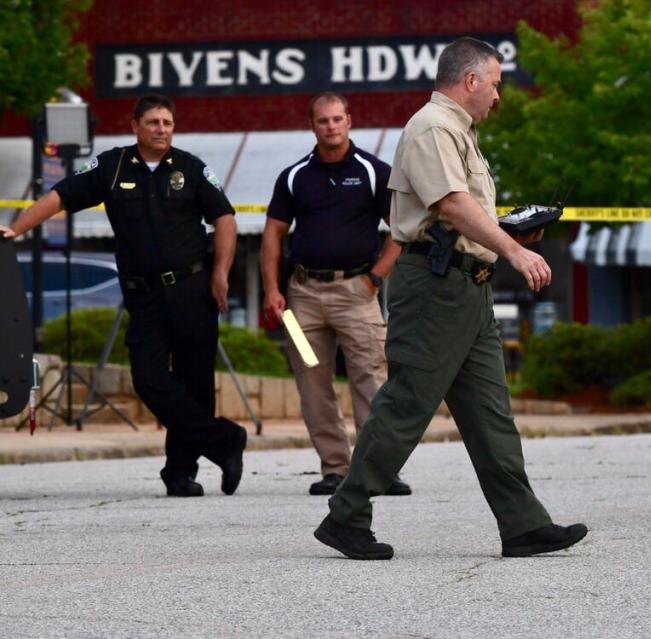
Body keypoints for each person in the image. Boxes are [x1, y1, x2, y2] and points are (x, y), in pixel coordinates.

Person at [313, 36, 588, 560]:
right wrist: (514, 250)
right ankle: (346, 516)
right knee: (407, 404)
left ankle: (523, 524)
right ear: (470, 81)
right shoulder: (431, 127)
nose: (498, 96)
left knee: (490, 414)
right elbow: (453, 205)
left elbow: (464, 214)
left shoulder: (459, 133)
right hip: (436, 287)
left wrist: (509, 231)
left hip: (468, 287)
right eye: (496, 84)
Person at [1, 94, 246, 497]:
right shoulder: (112, 166)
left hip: (192, 289)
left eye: (167, 122)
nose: (162, 130)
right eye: (153, 122)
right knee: (148, 380)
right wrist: (17, 228)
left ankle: (181, 473)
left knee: (195, 382)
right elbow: (60, 196)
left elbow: (225, 217)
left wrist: (221, 273)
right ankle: (225, 440)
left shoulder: (191, 167)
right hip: (144, 295)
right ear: (135, 126)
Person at [261, 93, 409, 497]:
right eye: (323, 121)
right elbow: (273, 234)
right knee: (313, 383)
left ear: (349, 121)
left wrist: (375, 279)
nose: (331, 126)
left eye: (337, 119)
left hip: (356, 295)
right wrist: (273, 290)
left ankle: (378, 469)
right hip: (302, 298)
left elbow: (401, 229)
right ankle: (335, 469)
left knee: (372, 380)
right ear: (313, 125)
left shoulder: (372, 172)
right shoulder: (295, 177)